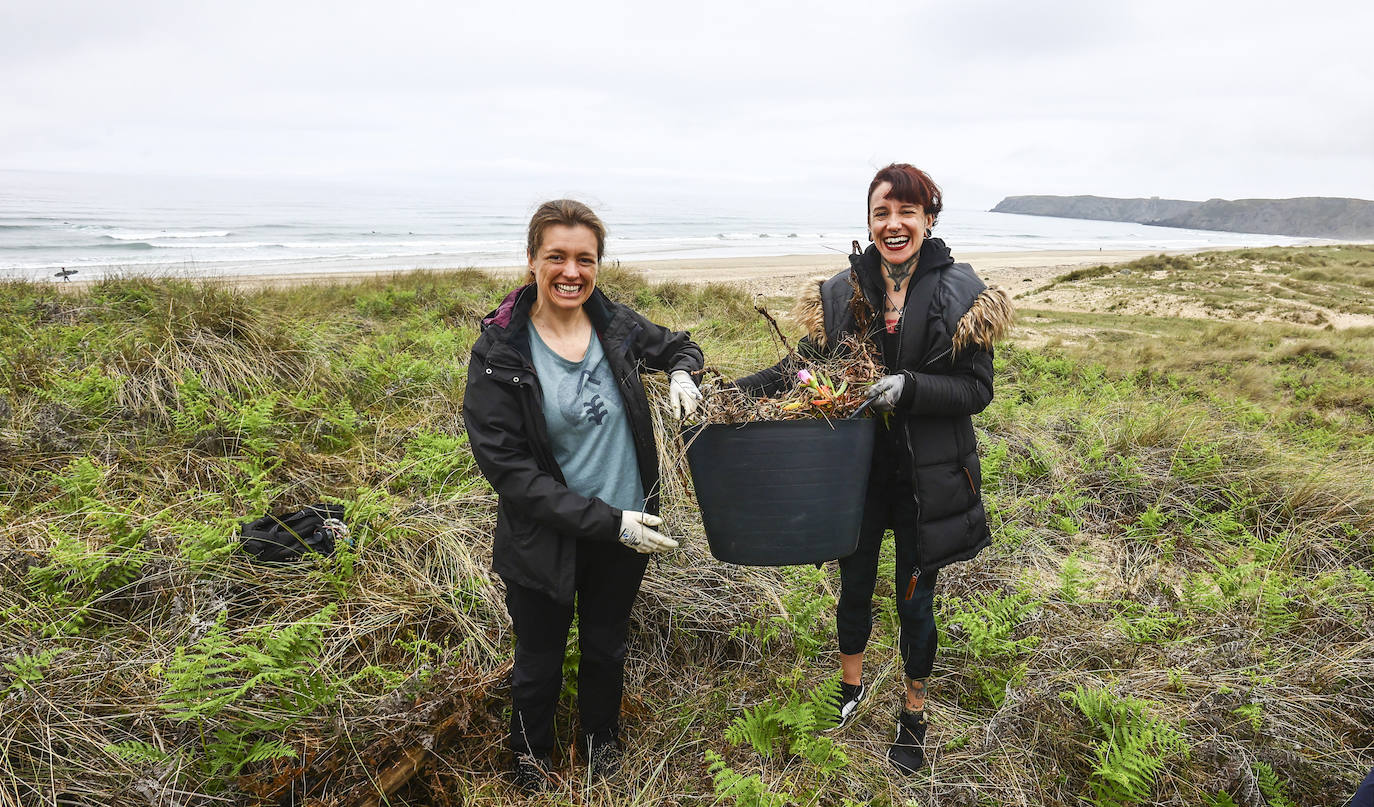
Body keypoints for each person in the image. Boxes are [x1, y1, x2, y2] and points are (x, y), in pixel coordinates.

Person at [733, 164, 1012, 774]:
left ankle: (913, 713)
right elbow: (802, 370)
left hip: (927, 481)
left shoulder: (962, 294)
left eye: (907, 212)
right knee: (853, 587)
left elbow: (976, 391)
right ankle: (851, 688)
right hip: (853, 477)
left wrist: (907, 388)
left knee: (915, 599)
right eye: (882, 213)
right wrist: (731, 394)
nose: (894, 224)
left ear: (928, 220)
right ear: (868, 222)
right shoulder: (842, 292)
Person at [463, 199, 704, 792]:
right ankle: (530, 762)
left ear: (598, 264)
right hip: (547, 538)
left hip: (629, 530)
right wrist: (608, 521)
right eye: (557, 257)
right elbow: (514, 476)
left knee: (605, 647)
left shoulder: (614, 325)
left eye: (585, 259)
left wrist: (681, 372)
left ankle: (602, 749)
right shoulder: (499, 355)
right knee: (539, 661)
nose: (572, 271)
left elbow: (680, 345)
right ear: (531, 262)